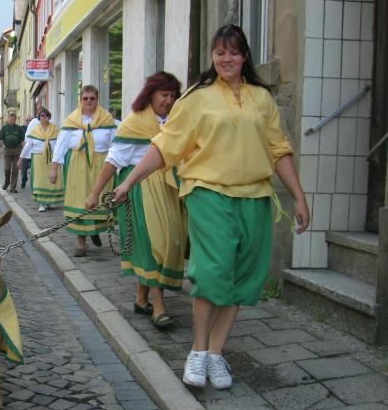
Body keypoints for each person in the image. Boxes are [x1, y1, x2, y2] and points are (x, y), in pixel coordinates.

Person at [112, 24, 309, 390]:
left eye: (233, 52)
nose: (226, 58)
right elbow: (165, 145)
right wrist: (128, 182)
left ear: (245, 56)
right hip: (207, 193)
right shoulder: (196, 98)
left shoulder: (261, 99)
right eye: (220, 52)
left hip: (254, 197)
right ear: (212, 56)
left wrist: (299, 196)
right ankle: (198, 350)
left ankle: (216, 353)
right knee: (213, 272)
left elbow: (279, 150)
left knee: (241, 277)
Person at [86, 72, 186, 331]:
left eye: (173, 96)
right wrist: (95, 193)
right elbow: (113, 161)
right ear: (150, 94)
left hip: (167, 189)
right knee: (152, 244)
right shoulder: (134, 123)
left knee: (167, 242)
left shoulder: (174, 121)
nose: (168, 100)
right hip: (139, 190)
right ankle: (159, 308)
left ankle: (141, 300)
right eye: (164, 95)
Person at [49, 84, 117, 257]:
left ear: (97, 100)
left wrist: (119, 168)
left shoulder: (107, 120)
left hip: (101, 166)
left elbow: (115, 146)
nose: (88, 101)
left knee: (98, 201)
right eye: (85, 98)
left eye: (92, 98)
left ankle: (93, 231)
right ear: (80, 100)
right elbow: (61, 145)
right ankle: (81, 245)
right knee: (79, 203)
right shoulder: (72, 121)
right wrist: (54, 168)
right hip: (77, 166)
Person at [18, 108, 62, 212]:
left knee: (50, 181)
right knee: (40, 181)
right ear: (39, 117)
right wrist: (21, 159)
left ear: (49, 117)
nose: (44, 117)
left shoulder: (55, 130)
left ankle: (48, 202)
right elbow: (28, 145)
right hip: (38, 158)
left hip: (51, 158)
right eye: (42, 115)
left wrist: (59, 158)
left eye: (46, 115)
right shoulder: (35, 130)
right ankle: (41, 203)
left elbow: (59, 145)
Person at [0, 113, 25, 192]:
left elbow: (22, 141)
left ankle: (12, 188)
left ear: (15, 120)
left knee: (15, 169)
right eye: (10, 119)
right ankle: (7, 182)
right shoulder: (4, 128)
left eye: (13, 119)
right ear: (8, 119)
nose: (11, 120)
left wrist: (24, 152)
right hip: (7, 150)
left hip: (17, 150)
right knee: (7, 168)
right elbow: (0, 140)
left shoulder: (19, 128)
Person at [20, 115, 37, 188]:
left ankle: (34, 184)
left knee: (34, 169)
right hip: (25, 151)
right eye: (27, 120)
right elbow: (20, 139)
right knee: (24, 169)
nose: (28, 122)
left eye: (30, 120)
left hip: (34, 152)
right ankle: (24, 180)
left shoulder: (36, 127)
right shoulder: (22, 128)